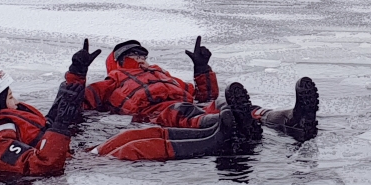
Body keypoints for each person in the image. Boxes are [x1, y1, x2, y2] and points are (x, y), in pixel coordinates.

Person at [0, 42, 269, 179]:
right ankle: (222, 135)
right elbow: (42, 163)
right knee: (135, 139)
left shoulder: (4, 126)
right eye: (9, 95)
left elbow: (55, 121)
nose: (16, 99)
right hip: (76, 159)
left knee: (151, 129)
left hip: (74, 153)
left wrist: (201, 69)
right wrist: (76, 78)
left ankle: (237, 124)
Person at [83, 36, 319, 143]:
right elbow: (80, 102)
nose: (140, 57)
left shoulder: (164, 75)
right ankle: (229, 124)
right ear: (119, 61)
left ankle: (287, 118)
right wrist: (77, 73)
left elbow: (205, 96)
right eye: (133, 55)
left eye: (142, 53)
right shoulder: (113, 80)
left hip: (189, 104)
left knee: (220, 104)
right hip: (152, 113)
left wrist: (201, 68)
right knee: (182, 111)